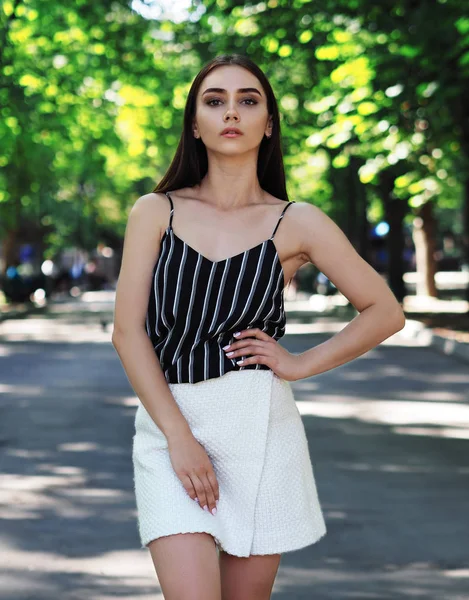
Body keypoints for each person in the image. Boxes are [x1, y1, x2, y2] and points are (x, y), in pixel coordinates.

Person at [112, 54, 406, 600]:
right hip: (171, 428)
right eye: (214, 101)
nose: (231, 113)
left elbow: (385, 310)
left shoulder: (297, 221)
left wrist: (298, 365)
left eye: (248, 101)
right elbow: (127, 334)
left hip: (261, 431)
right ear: (194, 123)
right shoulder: (155, 212)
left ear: (267, 122)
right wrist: (178, 436)